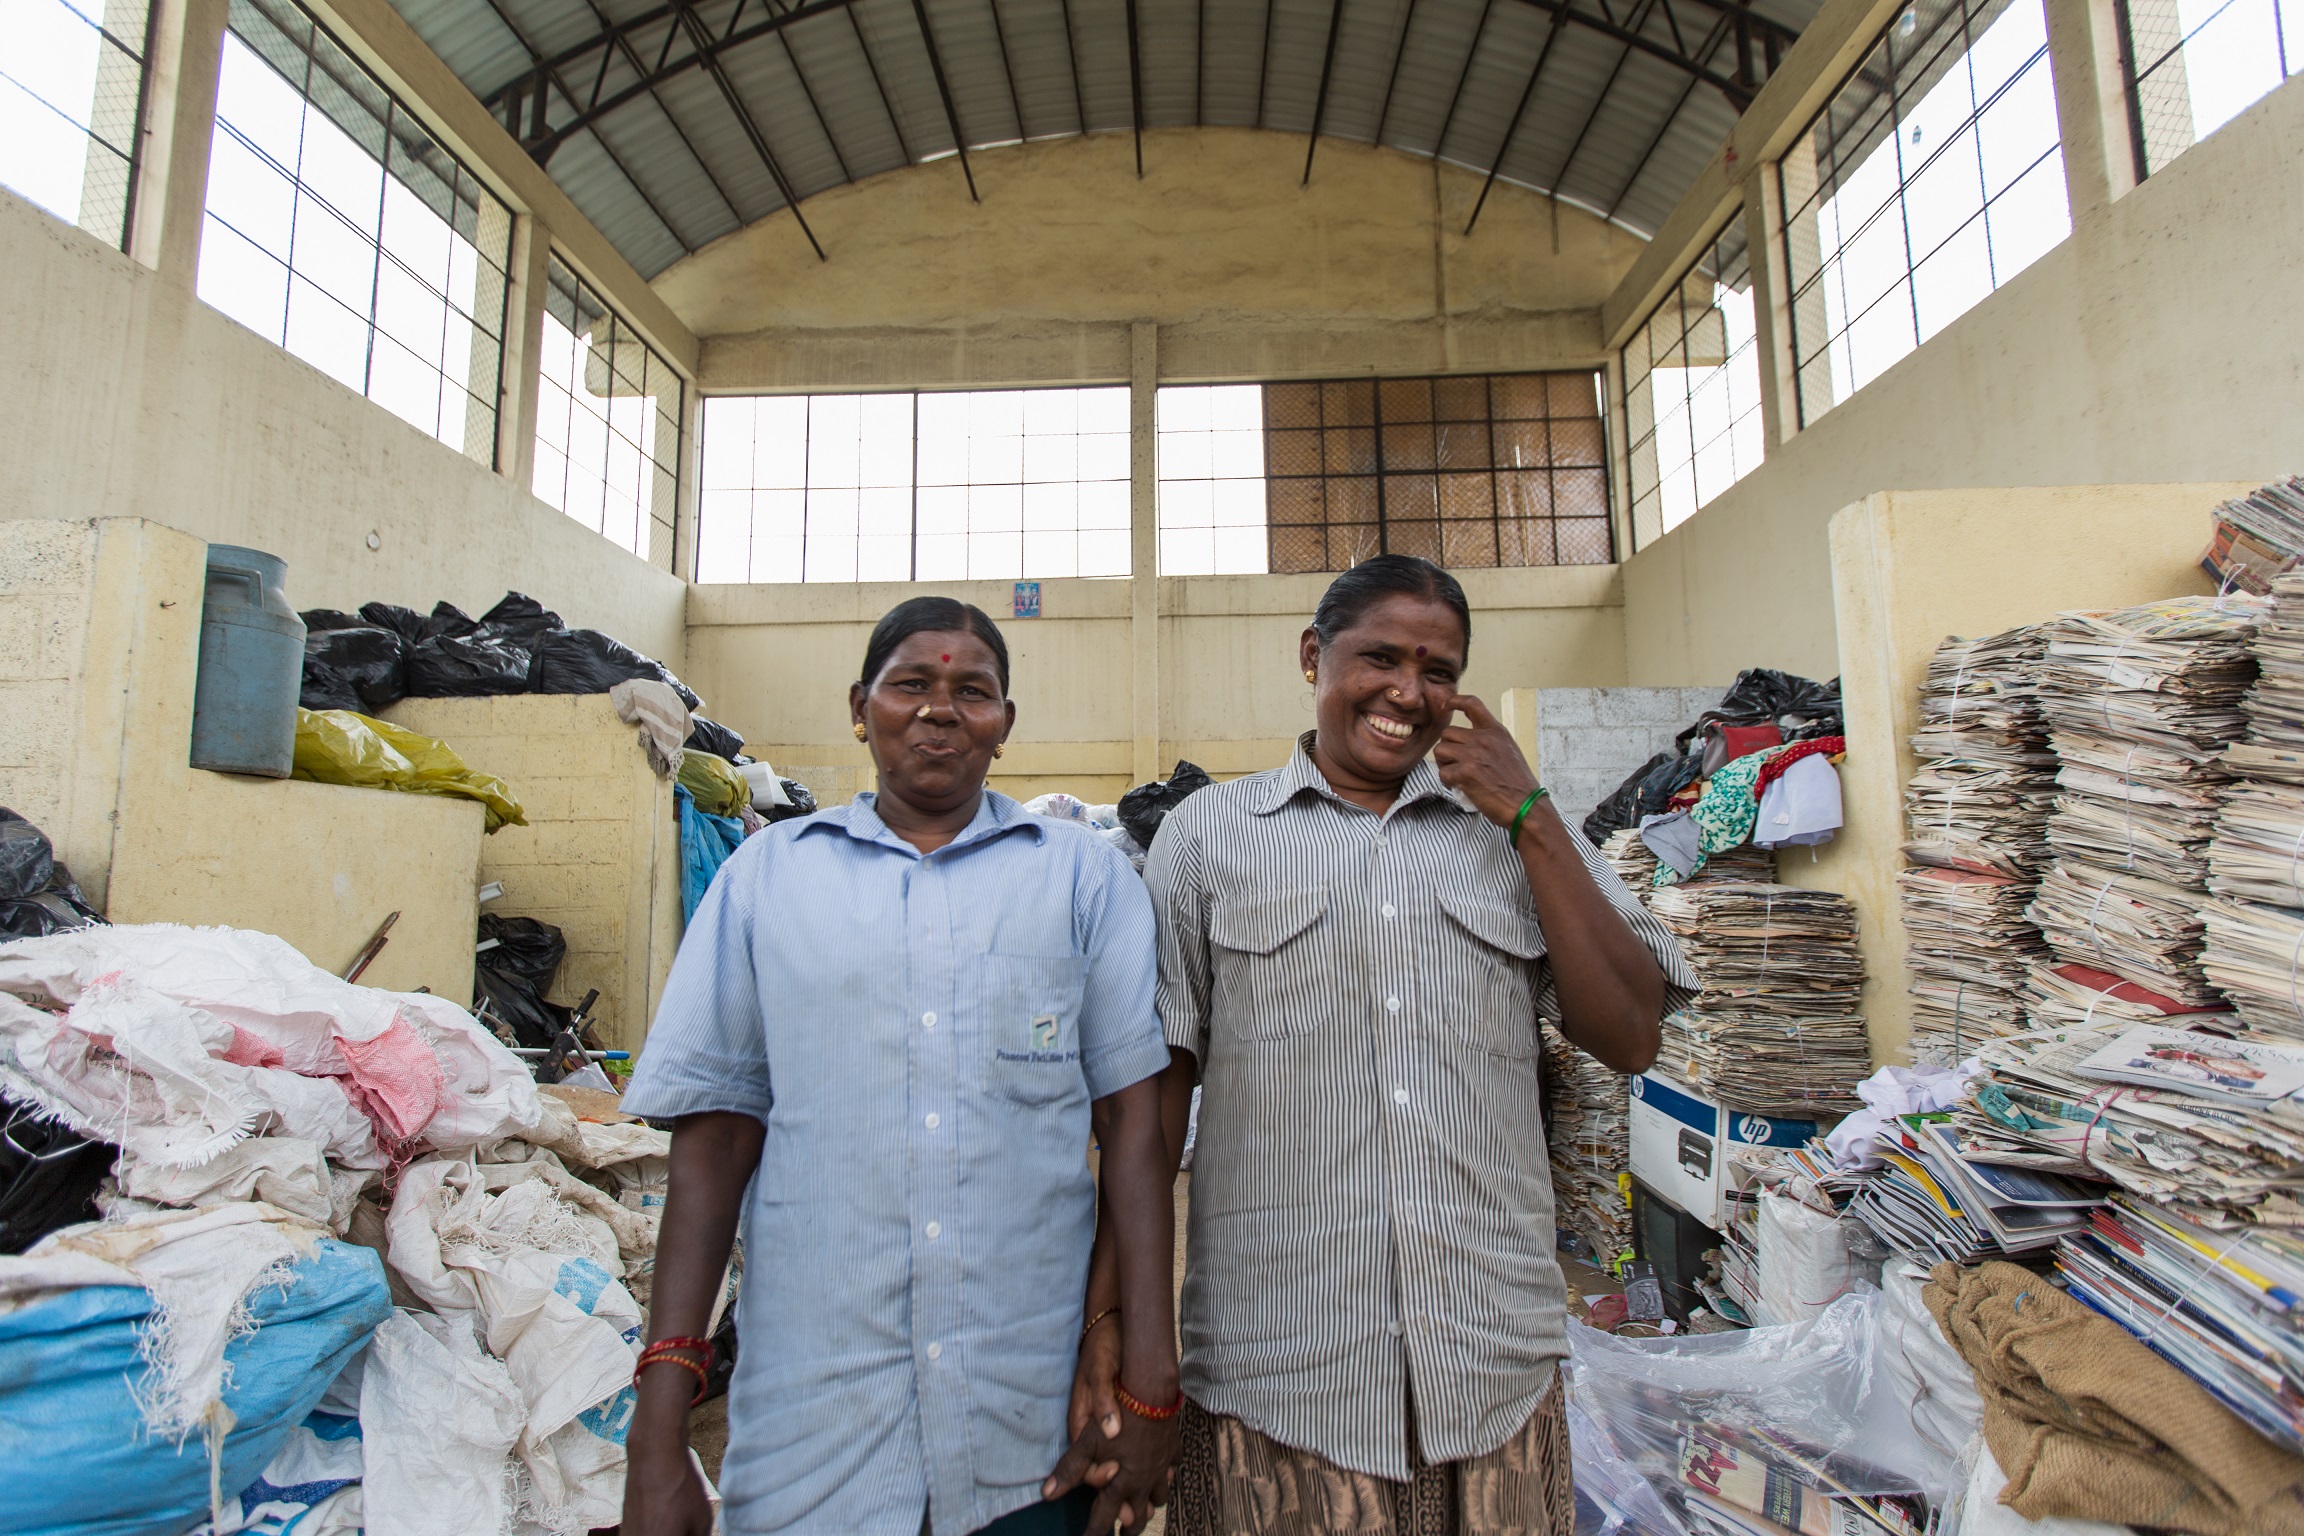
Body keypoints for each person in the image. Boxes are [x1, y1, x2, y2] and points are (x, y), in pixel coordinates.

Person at [1074, 555, 1698, 1536]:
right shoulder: (1208, 837)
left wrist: (1531, 816)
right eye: (1380, 659)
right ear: (1314, 656)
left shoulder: (1512, 830)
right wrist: (1121, 1335)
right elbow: (1151, 1112)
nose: (1409, 693)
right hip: (1278, 1381)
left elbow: (1628, 1035)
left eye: (1439, 670)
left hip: (1492, 1372)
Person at [619, 596, 1182, 1536]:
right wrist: (658, 1422)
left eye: (974, 690)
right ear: (860, 706)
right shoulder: (767, 880)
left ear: (1005, 725)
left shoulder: (1084, 881)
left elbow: (1135, 1131)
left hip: (1031, 1432)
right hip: (814, 1442)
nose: (941, 709)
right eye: (910, 684)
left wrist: (1152, 1375)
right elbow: (713, 1148)